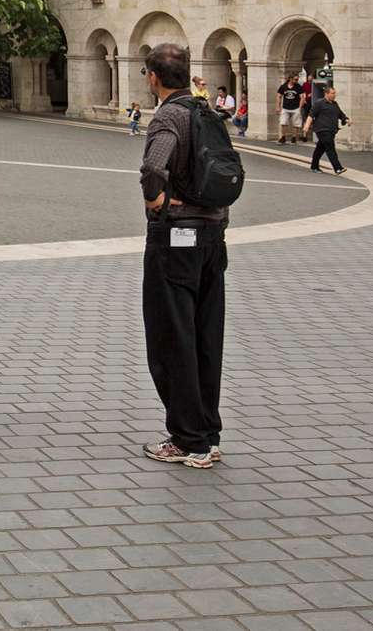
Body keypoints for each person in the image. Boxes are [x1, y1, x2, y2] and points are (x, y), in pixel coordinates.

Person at [137, 43, 228, 469]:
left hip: (176, 238)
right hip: (213, 234)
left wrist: (156, 201)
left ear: (153, 78)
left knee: (172, 336)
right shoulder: (205, 110)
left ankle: (186, 439)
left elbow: (154, 166)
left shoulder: (169, 115)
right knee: (206, 335)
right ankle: (207, 434)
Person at [305, 85, 349, 175]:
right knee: (330, 148)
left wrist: (346, 119)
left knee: (320, 149)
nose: (334, 95)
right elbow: (311, 115)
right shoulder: (319, 103)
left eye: (335, 93)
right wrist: (306, 126)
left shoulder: (334, 104)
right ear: (326, 94)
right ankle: (338, 168)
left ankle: (314, 166)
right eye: (332, 93)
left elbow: (340, 114)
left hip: (332, 130)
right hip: (322, 129)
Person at [275, 74, 303, 144]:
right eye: (295, 79)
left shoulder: (298, 87)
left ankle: (294, 137)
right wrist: (278, 106)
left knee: (296, 124)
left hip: (295, 107)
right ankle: (283, 137)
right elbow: (278, 96)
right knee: (283, 122)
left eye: (297, 79)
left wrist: (300, 108)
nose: (297, 81)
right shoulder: (283, 86)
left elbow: (302, 97)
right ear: (290, 79)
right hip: (285, 107)